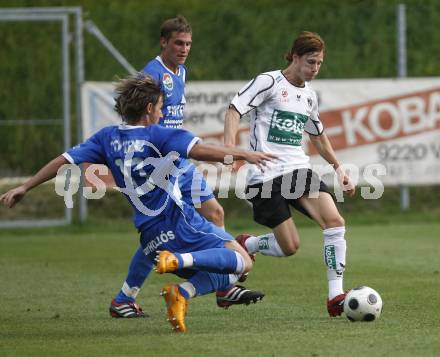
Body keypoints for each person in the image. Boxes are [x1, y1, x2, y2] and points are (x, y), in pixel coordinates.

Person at [0, 73, 273, 332]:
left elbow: (64, 160)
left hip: (150, 234)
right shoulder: (158, 135)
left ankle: (173, 293)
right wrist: (242, 154)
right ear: (149, 107)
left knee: (221, 269)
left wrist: (25, 186)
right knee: (241, 262)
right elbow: (205, 151)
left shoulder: (106, 138)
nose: (163, 114)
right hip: (179, 222)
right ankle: (179, 263)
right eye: (161, 108)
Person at [110, 16, 255, 318]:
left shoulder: (181, 71)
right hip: (162, 167)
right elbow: (142, 122)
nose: (184, 49)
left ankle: (223, 284)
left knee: (215, 212)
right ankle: (125, 297)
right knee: (158, 235)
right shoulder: (151, 76)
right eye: (178, 43)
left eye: (188, 43)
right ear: (163, 42)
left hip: (179, 163)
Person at [223, 31, 356, 317]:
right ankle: (251, 244)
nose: (315, 69)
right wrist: (231, 149)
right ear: (294, 57)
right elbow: (234, 109)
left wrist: (339, 167)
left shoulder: (308, 96)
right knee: (290, 247)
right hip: (265, 175)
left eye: (319, 63)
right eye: (310, 62)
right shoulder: (269, 82)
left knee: (334, 221)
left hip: (298, 170)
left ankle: (336, 295)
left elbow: (318, 137)